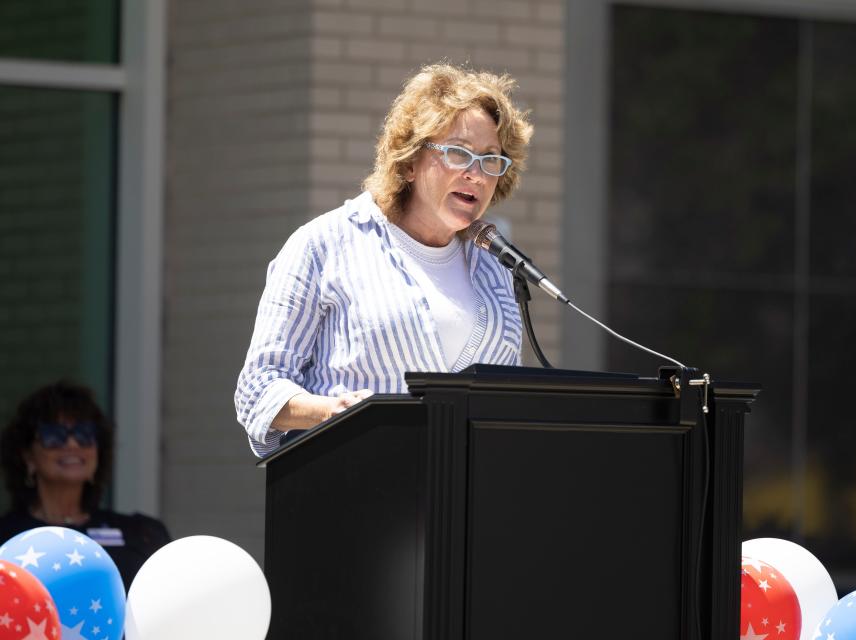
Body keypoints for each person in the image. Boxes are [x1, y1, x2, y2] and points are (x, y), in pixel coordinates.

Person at [235, 63, 534, 457]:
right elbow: (258, 388)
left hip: (471, 500)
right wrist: (330, 411)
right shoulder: (325, 245)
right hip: (356, 486)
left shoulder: (495, 265)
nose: (476, 174)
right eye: (459, 154)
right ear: (410, 161)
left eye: (490, 160)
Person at [0, 381, 171, 591]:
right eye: (54, 435)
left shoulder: (142, 534)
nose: (72, 444)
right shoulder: (5, 537)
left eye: (84, 434)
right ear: (28, 457)